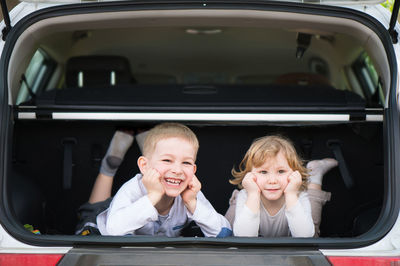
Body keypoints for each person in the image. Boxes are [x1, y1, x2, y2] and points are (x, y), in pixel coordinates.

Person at [77, 123, 232, 237]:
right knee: (93, 210)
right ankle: (109, 167)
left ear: (193, 170)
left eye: (186, 163)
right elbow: (113, 231)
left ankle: (154, 150)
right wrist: (153, 196)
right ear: (144, 166)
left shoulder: (190, 194)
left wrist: (192, 204)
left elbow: (224, 232)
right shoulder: (132, 189)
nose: (177, 170)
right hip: (107, 219)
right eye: (167, 160)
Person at [225, 135, 337, 237]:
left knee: (313, 229)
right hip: (256, 253)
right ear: (249, 175)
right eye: (263, 172)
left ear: (294, 173)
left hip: (293, 251)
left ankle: (314, 175)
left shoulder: (298, 195)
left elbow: (305, 237)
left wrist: (291, 194)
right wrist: (253, 194)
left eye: (281, 171)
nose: (273, 180)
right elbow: (244, 237)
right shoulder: (246, 195)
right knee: (230, 227)